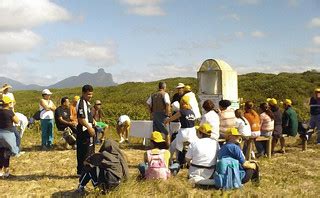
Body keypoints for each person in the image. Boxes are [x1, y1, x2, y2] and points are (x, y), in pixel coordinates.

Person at [165, 95, 198, 165]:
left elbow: (172, 118)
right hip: (192, 133)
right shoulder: (192, 112)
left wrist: (166, 121)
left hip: (184, 133)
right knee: (190, 148)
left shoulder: (182, 111)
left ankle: (169, 160)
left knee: (173, 146)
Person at [76, 85, 95, 176]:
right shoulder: (81, 103)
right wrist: (89, 127)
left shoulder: (87, 103)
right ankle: (82, 171)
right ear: (83, 93)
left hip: (88, 128)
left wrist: (93, 121)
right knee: (84, 151)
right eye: (88, 94)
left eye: (91, 94)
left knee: (90, 151)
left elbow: (87, 116)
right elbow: (81, 119)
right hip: (84, 130)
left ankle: (88, 170)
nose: (90, 96)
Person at [0, 96, 20, 177]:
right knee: (7, 153)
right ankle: (7, 172)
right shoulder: (9, 112)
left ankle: (0, 172)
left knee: (0, 152)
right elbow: (17, 121)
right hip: (8, 134)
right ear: (8, 103)